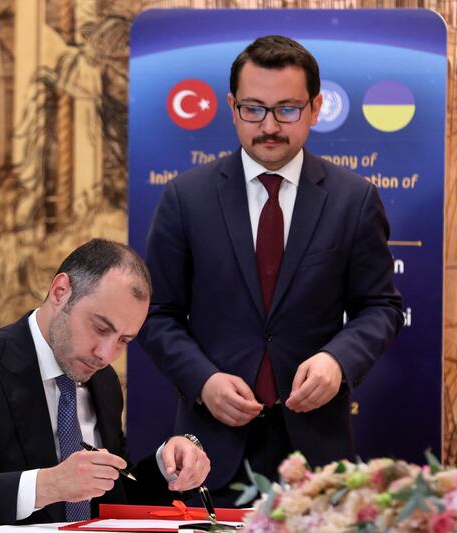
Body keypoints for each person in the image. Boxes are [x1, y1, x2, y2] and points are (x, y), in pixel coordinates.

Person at [138, 35, 404, 504]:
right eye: (254, 109)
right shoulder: (185, 198)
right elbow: (156, 314)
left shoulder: (354, 200)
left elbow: (380, 307)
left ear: (316, 107)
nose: (269, 126)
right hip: (207, 453)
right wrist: (203, 380)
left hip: (316, 456)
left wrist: (337, 362)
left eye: (287, 109)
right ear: (231, 106)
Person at [0, 239, 211, 530]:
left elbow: (113, 499)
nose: (106, 355)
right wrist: (46, 486)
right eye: (100, 327)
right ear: (60, 291)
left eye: (123, 341)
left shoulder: (104, 382)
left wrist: (164, 467)